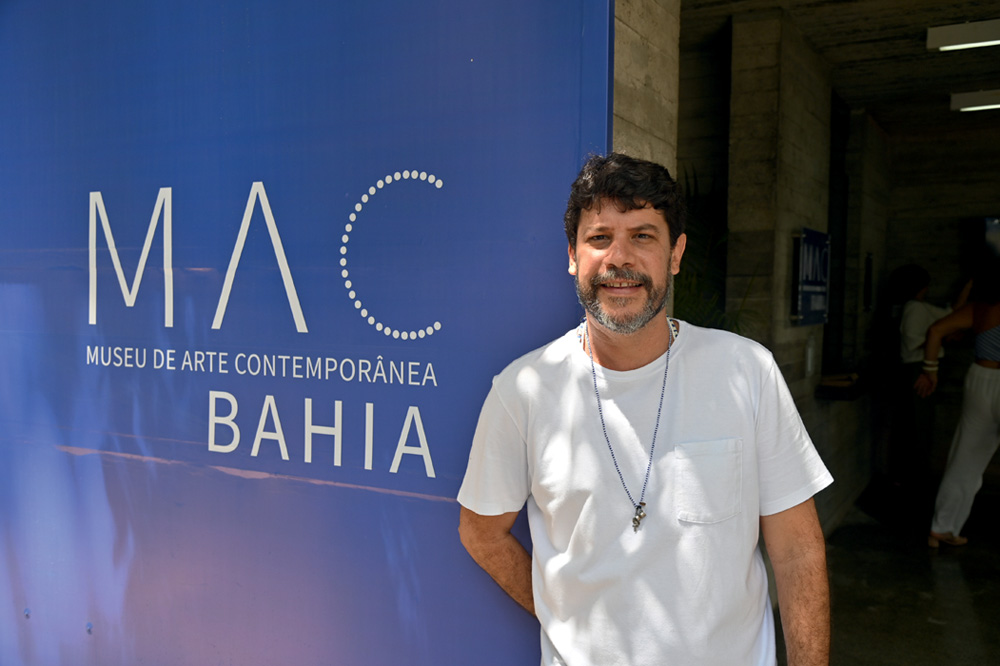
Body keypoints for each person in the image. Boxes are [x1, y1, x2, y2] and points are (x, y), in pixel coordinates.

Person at [457, 153, 834, 665]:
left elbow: (797, 551)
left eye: (642, 236)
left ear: (675, 254)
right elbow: (480, 531)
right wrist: (561, 613)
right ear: (571, 254)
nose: (620, 258)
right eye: (599, 237)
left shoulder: (746, 372)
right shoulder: (522, 390)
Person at [916, 260, 1000, 548]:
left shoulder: (979, 308)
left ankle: (942, 528)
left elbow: (936, 330)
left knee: (965, 461)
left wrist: (930, 370)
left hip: (980, 379)